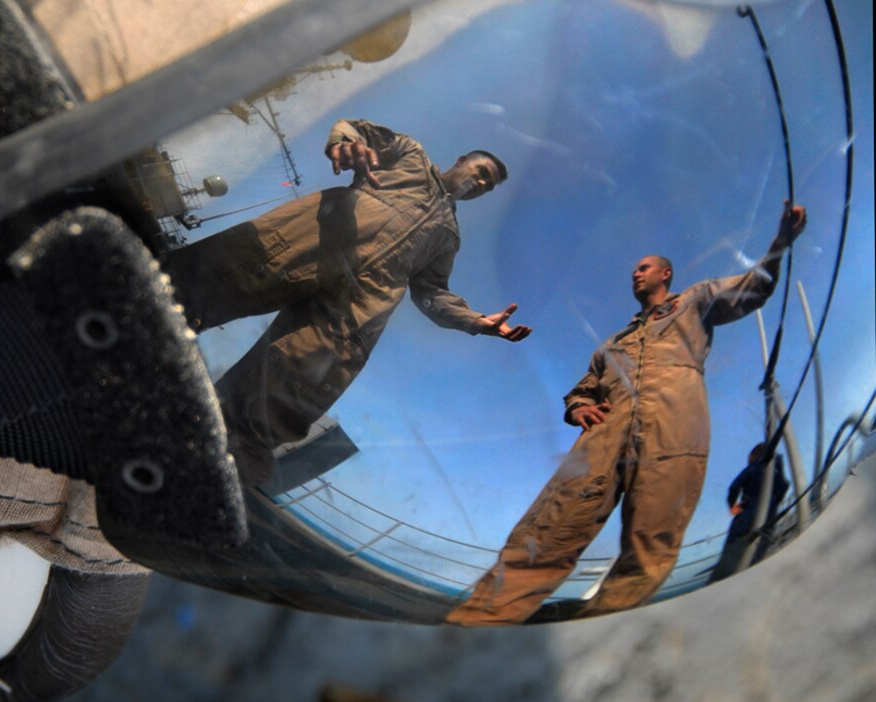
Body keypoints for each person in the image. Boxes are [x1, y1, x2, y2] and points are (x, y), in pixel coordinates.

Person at [445, 201, 808, 626]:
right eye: (634, 269)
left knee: (652, 543)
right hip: (604, 433)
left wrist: (781, 242)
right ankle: (477, 623)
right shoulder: (612, 344)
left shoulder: (696, 301)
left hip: (675, 429)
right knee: (549, 528)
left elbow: (753, 287)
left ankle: (604, 631)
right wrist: (579, 407)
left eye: (644, 267)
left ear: (664, 274)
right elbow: (581, 390)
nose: (635, 273)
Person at [164, 119, 532, 485]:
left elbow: (432, 292)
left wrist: (473, 320)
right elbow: (356, 129)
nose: (482, 183)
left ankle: (198, 461)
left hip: (356, 303)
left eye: (488, 186)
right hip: (309, 241)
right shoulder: (411, 156)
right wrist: (347, 142)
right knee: (199, 285)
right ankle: (123, 322)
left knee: (296, 377)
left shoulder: (447, 238)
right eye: (481, 171)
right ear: (462, 159)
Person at [709, 442, 790, 581]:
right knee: (757, 564)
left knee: (726, 570)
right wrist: (772, 504)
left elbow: (734, 488)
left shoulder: (753, 468)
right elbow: (783, 487)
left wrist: (733, 507)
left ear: (753, 455)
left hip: (744, 525)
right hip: (768, 524)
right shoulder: (777, 469)